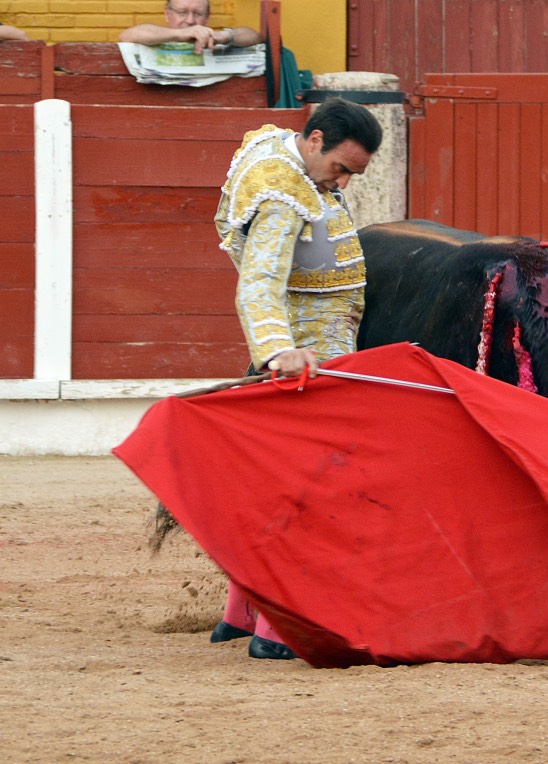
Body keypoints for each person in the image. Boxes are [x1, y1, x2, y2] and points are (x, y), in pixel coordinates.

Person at [212, 97, 383, 659]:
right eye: (341, 169)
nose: (343, 184)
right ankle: (281, 629)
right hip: (310, 351)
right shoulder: (283, 195)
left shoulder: (273, 151)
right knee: (315, 486)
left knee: (278, 483)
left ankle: (241, 615)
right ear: (313, 140)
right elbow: (258, 282)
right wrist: (278, 350)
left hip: (312, 340)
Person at [119, 1, 260, 54]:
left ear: (207, 18)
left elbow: (256, 37)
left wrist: (224, 36)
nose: (190, 20)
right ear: (167, 14)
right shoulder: (156, 35)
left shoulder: (215, 39)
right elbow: (126, 35)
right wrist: (180, 34)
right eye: (182, 12)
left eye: (198, 13)